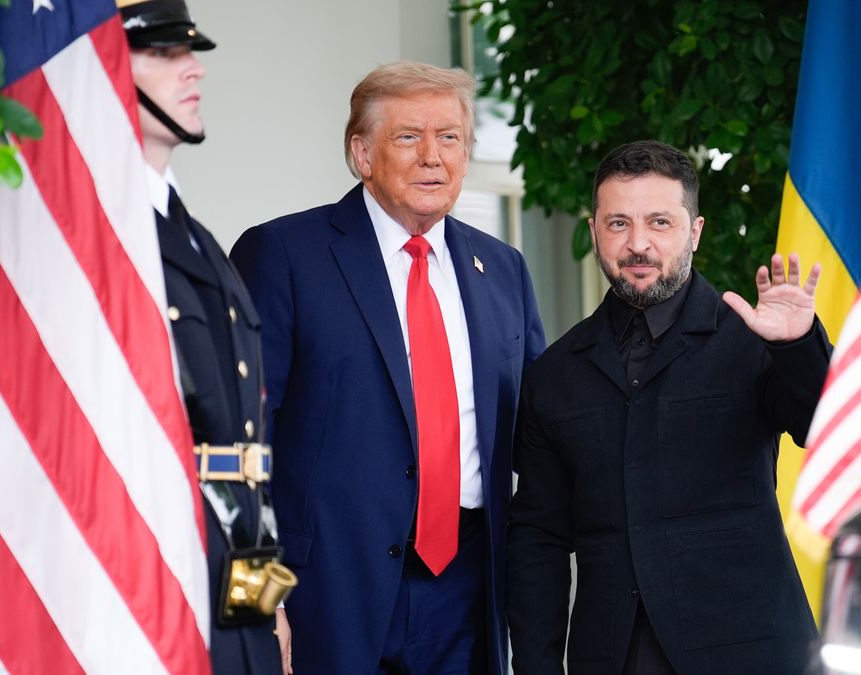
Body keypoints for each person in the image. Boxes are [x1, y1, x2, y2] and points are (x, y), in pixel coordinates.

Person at [230, 62, 546, 674]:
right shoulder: (283, 255)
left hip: (469, 596)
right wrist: (252, 606)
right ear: (362, 154)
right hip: (323, 600)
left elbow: (542, 436)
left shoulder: (503, 268)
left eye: (450, 137)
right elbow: (238, 445)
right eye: (408, 137)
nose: (433, 156)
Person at [506, 141, 829, 675]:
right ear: (593, 233)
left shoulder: (752, 339)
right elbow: (538, 539)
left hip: (750, 653)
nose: (638, 244)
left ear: (694, 232)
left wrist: (797, 345)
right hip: (611, 657)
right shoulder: (555, 373)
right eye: (617, 224)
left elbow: (823, 426)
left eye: (659, 222)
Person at [119, 1, 289, 672]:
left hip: (232, 585)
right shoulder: (106, 237)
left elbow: (242, 461)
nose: (194, 71)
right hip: (159, 579)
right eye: (162, 54)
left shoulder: (195, 237)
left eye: (189, 52)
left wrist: (267, 606)